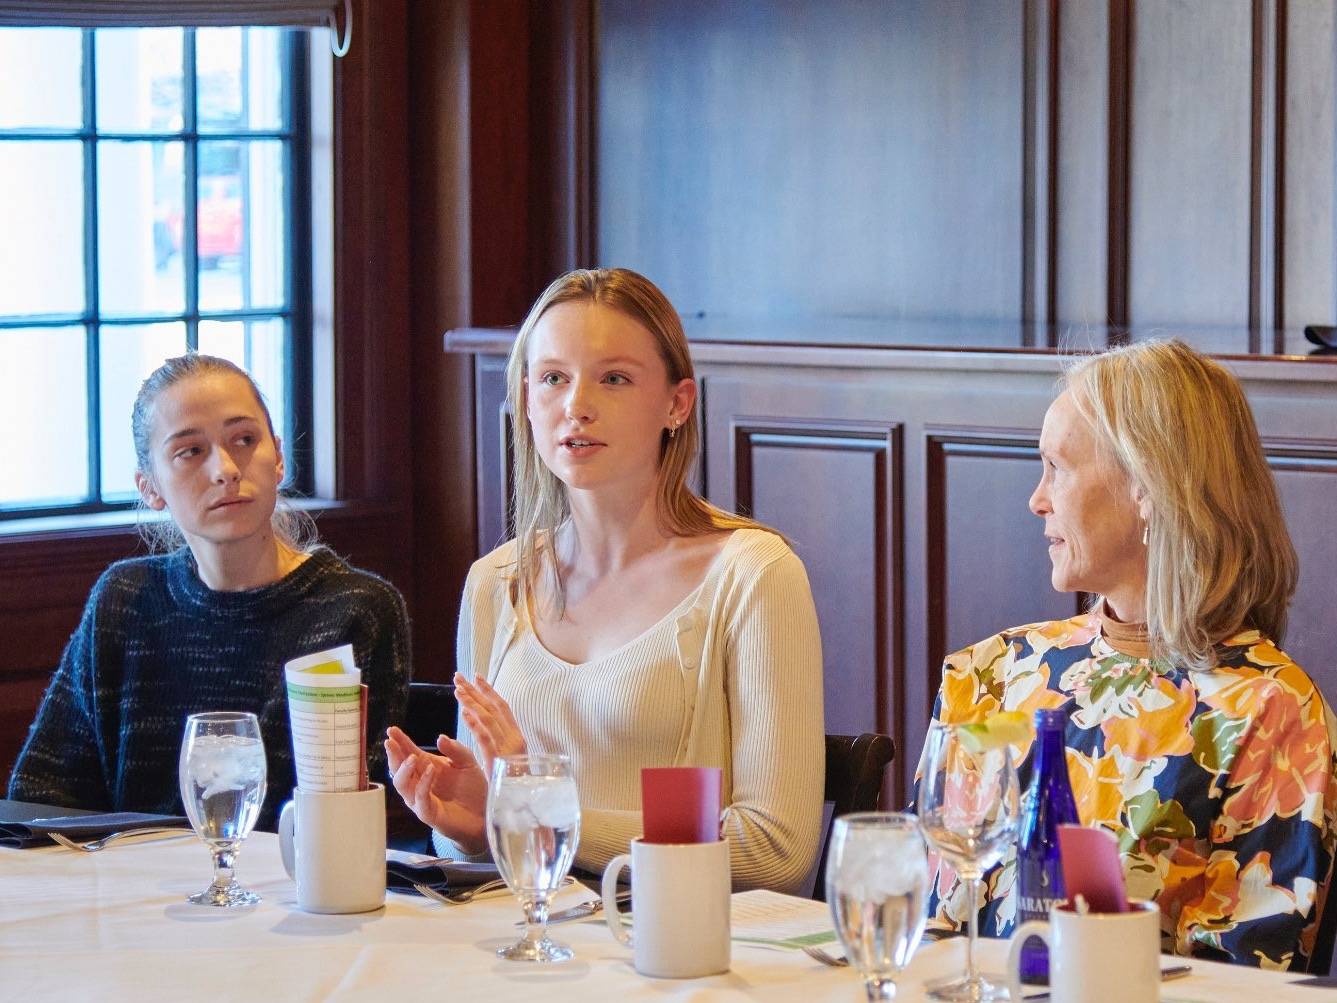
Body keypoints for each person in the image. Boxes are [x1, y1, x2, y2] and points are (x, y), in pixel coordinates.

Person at [383, 267, 825, 892]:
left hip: (682, 956)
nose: (577, 406)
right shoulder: (495, 582)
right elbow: (487, 843)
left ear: (677, 404)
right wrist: (473, 825)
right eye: (553, 378)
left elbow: (777, 852)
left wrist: (540, 811)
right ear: (527, 400)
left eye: (613, 378)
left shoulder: (754, 573)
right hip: (528, 947)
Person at [924, 338, 1337, 970]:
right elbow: (929, 926)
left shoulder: (1271, 715)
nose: (1037, 498)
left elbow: (1245, 984)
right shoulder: (991, 674)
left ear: (1147, 485)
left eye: (1057, 467)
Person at [7, 354, 411, 829]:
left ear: (278, 457)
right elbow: (39, 799)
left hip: (290, 892)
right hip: (130, 889)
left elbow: (355, 819)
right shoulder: (126, 598)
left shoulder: (355, 609)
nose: (225, 469)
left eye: (244, 440)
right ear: (150, 486)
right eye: (190, 451)